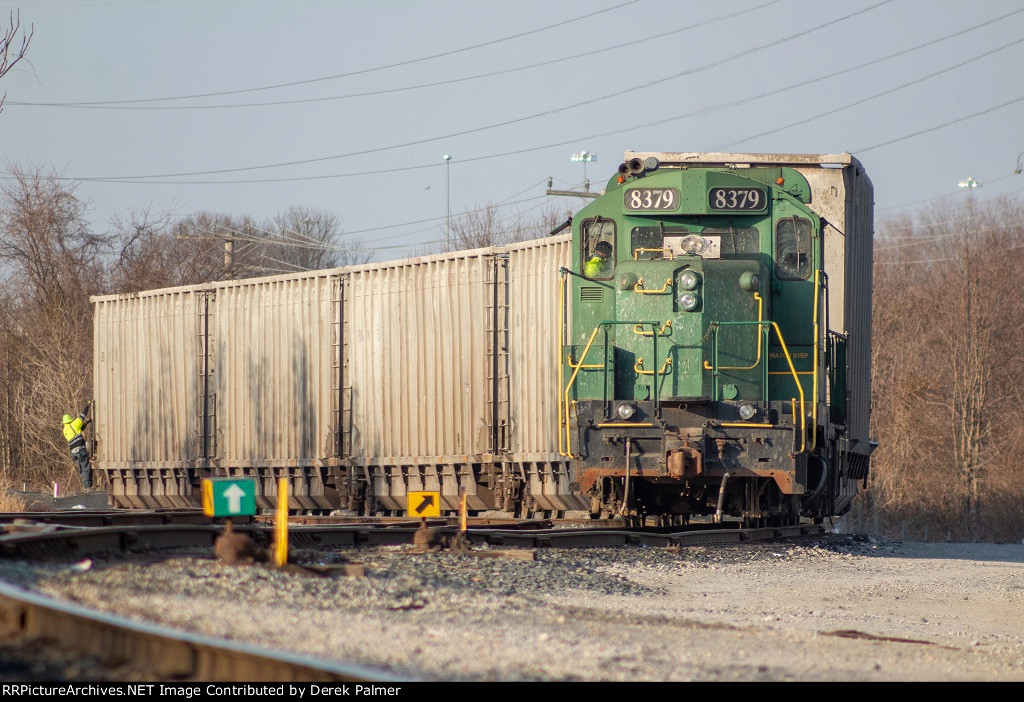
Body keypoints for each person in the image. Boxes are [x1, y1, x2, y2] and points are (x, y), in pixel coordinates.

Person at [62, 405, 92, 489]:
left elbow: (79, 429)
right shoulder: (74, 424)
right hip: (80, 450)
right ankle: (87, 486)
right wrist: (87, 406)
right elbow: (82, 415)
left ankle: (84, 486)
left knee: (81, 469)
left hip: (73, 453)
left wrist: (86, 423)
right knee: (86, 467)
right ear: (70, 420)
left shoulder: (65, 430)